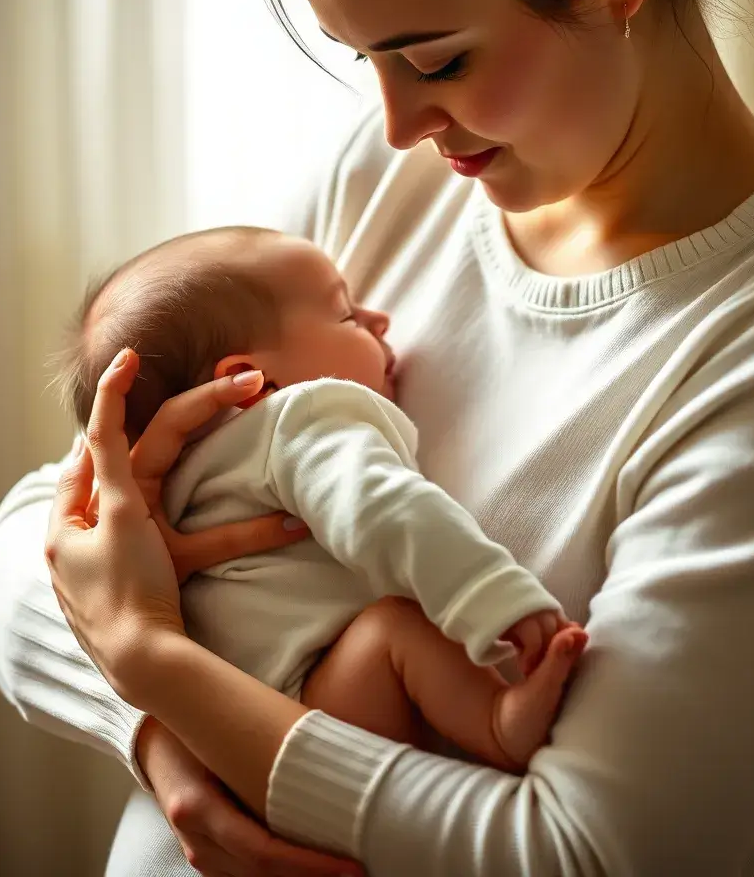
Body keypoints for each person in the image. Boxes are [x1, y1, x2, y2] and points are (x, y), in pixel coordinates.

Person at [0, 0, 754, 874]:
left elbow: (583, 853)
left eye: (435, 60)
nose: (400, 123)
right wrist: (161, 738)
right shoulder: (388, 179)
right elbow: (15, 561)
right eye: (365, 61)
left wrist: (153, 662)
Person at [53, 223, 587, 772]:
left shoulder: (161, 482)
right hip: (321, 707)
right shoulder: (297, 418)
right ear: (251, 380)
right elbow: (385, 509)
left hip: (220, 734)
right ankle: (498, 724)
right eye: (346, 316)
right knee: (396, 626)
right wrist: (494, 598)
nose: (379, 319)